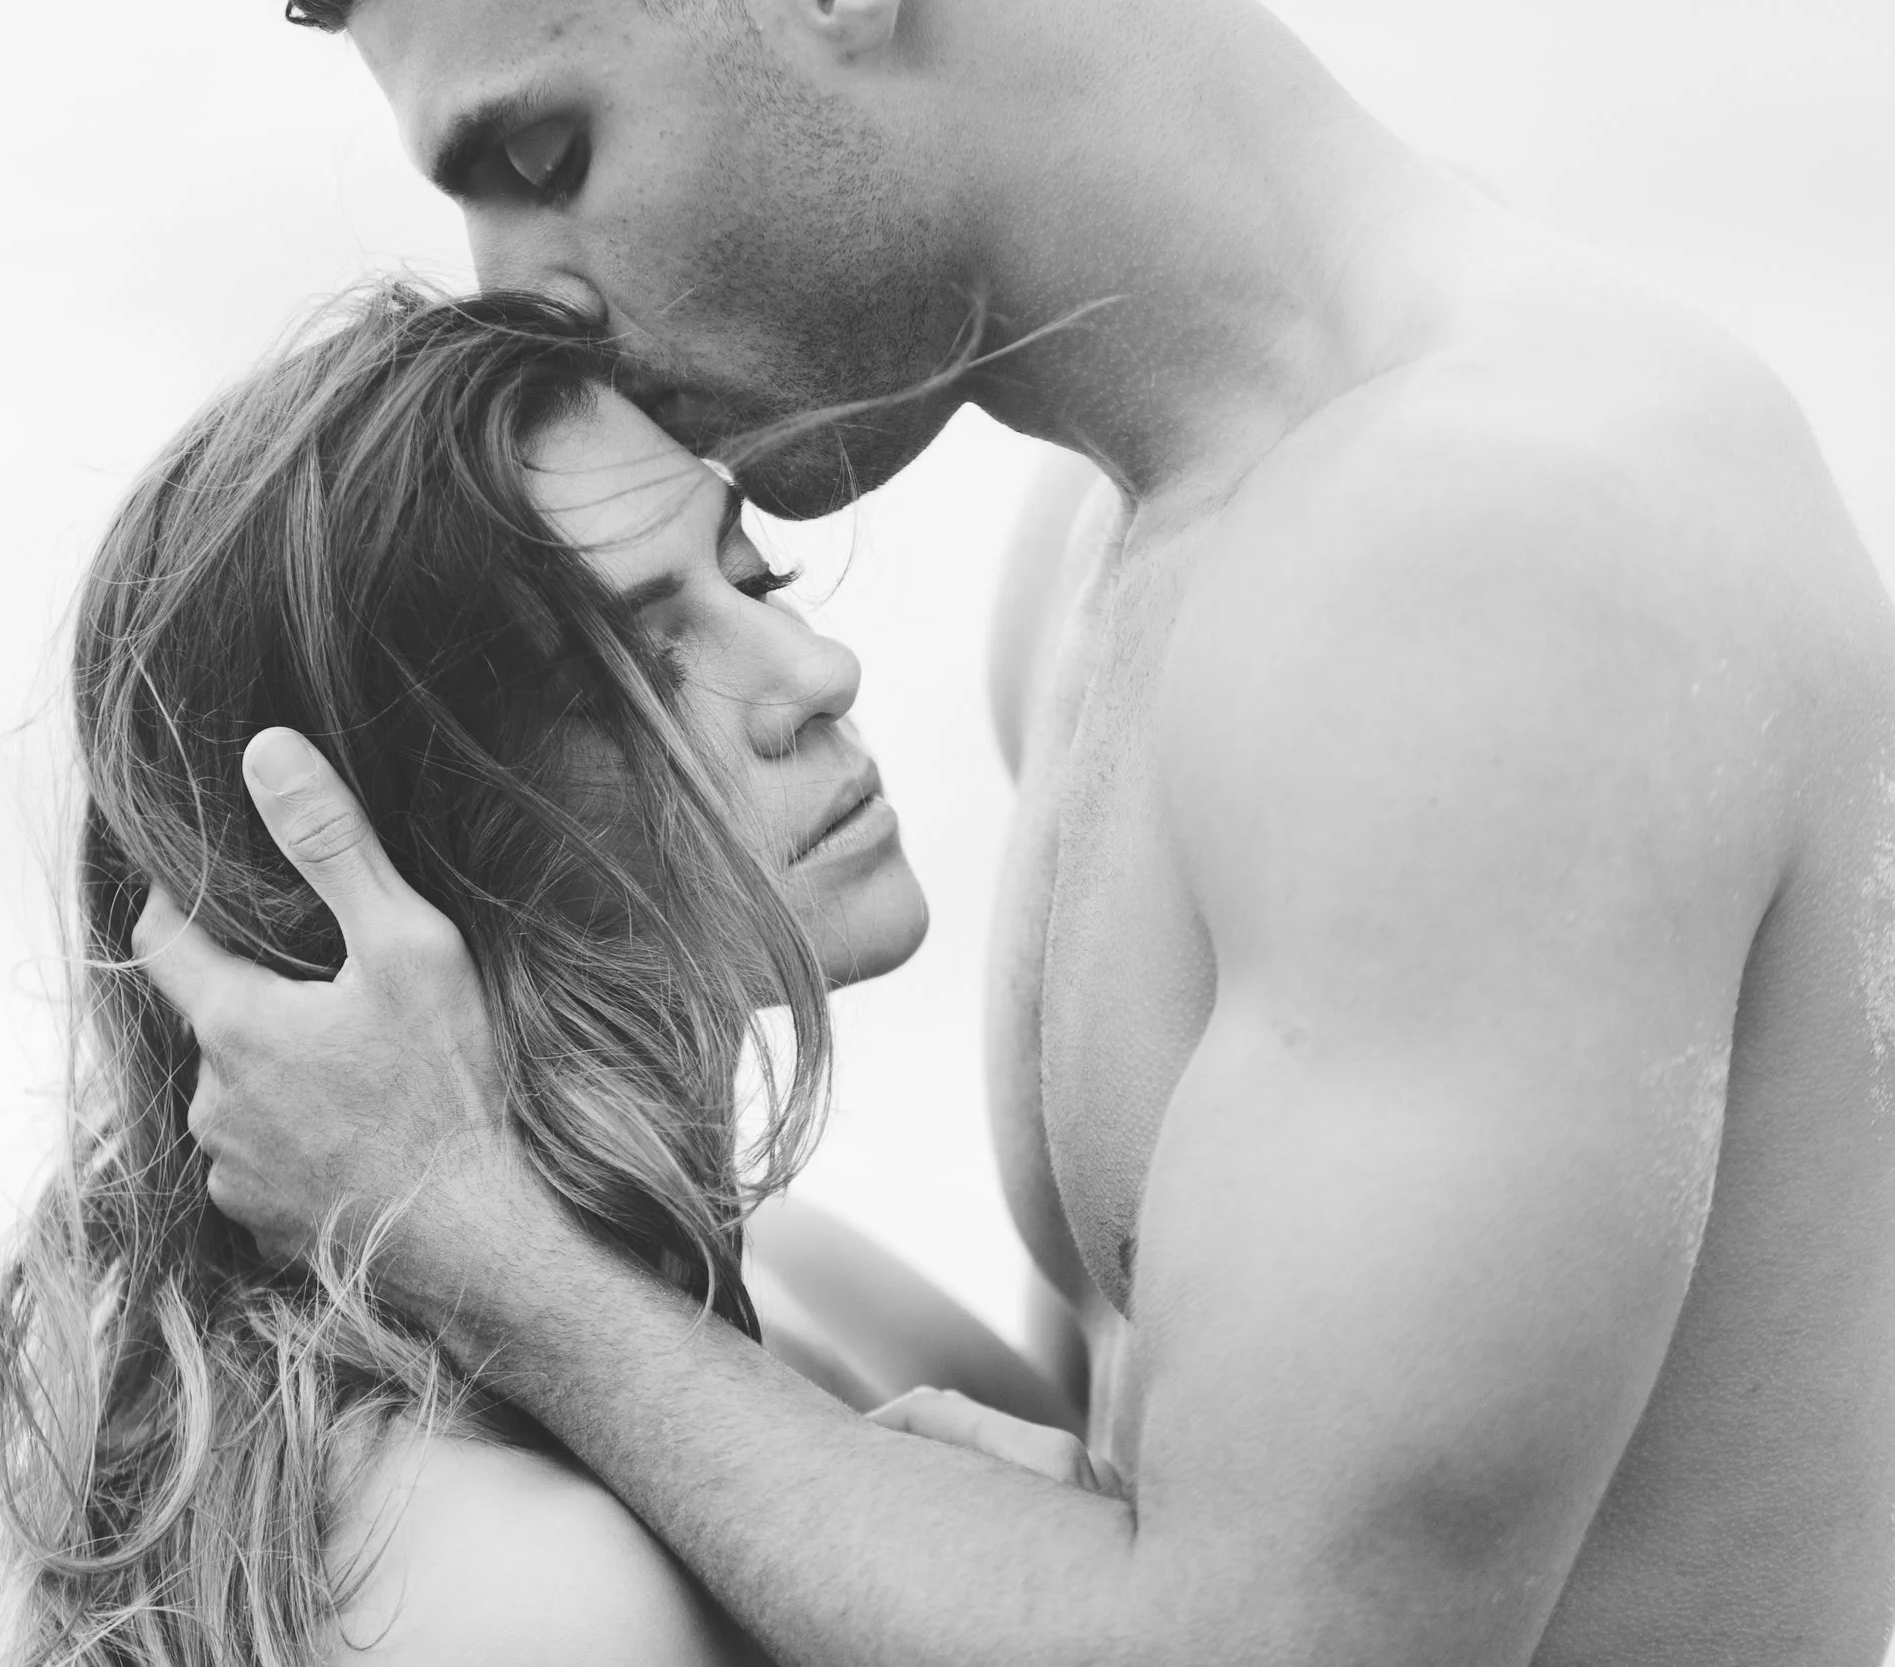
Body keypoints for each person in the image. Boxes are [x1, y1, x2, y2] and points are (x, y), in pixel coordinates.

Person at [135, 0, 1895, 1661]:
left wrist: (472, 1230)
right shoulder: (1106, 557)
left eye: (544, 160)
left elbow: (1270, 1646)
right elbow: (1188, 1486)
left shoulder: (1494, 551)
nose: (525, 299)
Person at [0, 284, 1071, 1666]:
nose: (817, 669)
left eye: (754, 576)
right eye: (642, 672)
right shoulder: (521, 1589)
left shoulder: (802, 1290)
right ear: (394, 865)